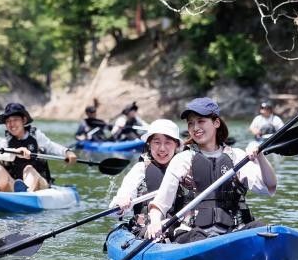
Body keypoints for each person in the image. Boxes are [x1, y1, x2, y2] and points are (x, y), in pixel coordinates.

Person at [145, 97, 277, 243]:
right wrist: (155, 221)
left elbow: (269, 186)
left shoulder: (237, 156)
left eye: (201, 121)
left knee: (261, 227)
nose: (195, 128)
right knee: (197, 237)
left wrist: (260, 157)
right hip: (192, 234)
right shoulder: (183, 159)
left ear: (216, 123)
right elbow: (161, 203)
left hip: (233, 233)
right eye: (191, 123)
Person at [0, 103, 78, 192]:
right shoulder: (4, 141)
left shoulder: (36, 136)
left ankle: (26, 195)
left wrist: (67, 152)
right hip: (15, 186)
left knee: (29, 168)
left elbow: (51, 146)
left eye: (15, 120)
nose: (11, 124)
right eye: (8, 121)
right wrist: (15, 152)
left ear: (24, 120)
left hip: (40, 185)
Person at [109, 119, 184, 237]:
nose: (162, 148)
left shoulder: (185, 168)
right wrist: (122, 202)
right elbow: (120, 202)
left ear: (177, 145)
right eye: (157, 142)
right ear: (149, 144)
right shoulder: (140, 169)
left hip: (178, 227)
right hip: (146, 229)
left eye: (168, 142)